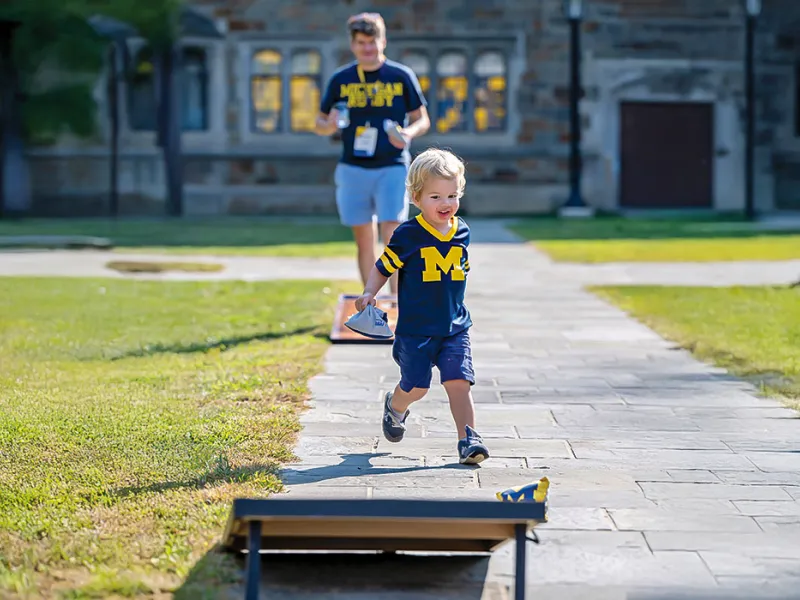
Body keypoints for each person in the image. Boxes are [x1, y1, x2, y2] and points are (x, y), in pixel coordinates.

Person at [354, 149, 489, 465]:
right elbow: (383, 266)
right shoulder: (408, 234)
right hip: (416, 330)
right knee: (416, 387)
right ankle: (396, 406)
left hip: (455, 326)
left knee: (459, 380)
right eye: (435, 196)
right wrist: (369, 292)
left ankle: (468, 439)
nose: (446, 203)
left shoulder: (462, 231)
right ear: (415, 197)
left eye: (453, 195)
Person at [315, 12, 430, 294]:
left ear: (384, 41)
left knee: (393, 238)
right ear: (353, 45)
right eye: (362, 42)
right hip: (353, 168)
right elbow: (318, 124)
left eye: (373, 41)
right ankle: (370, 305)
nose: (368, 48)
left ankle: (398, 305)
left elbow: (422, 118)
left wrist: (409, 134)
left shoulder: (400, 75)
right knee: (364, 240)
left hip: (392, 166)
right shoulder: (341, 79)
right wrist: (328, 125)